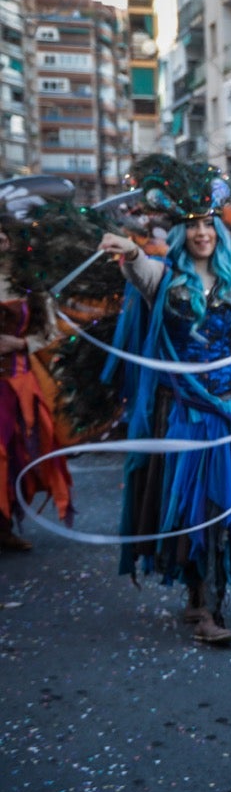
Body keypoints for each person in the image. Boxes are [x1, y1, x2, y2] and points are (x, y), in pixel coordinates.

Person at [98, 156, 231, 647]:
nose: (201, 234)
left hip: (230, 412)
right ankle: (201, 600)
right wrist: (126, 247)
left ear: (220, 233)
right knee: (193, 509)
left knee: (225, 508)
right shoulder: (164, 281)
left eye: (208, 226)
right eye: (192, 228)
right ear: (180, 236)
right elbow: (136, 266)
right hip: (186, 415)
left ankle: (211, 602)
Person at [0, 227, 72, 552]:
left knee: (17, 452)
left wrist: (19, 342)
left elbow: (50, 330)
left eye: (2, 236)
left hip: (17, 384)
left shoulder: (29, 283)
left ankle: (5, 524)